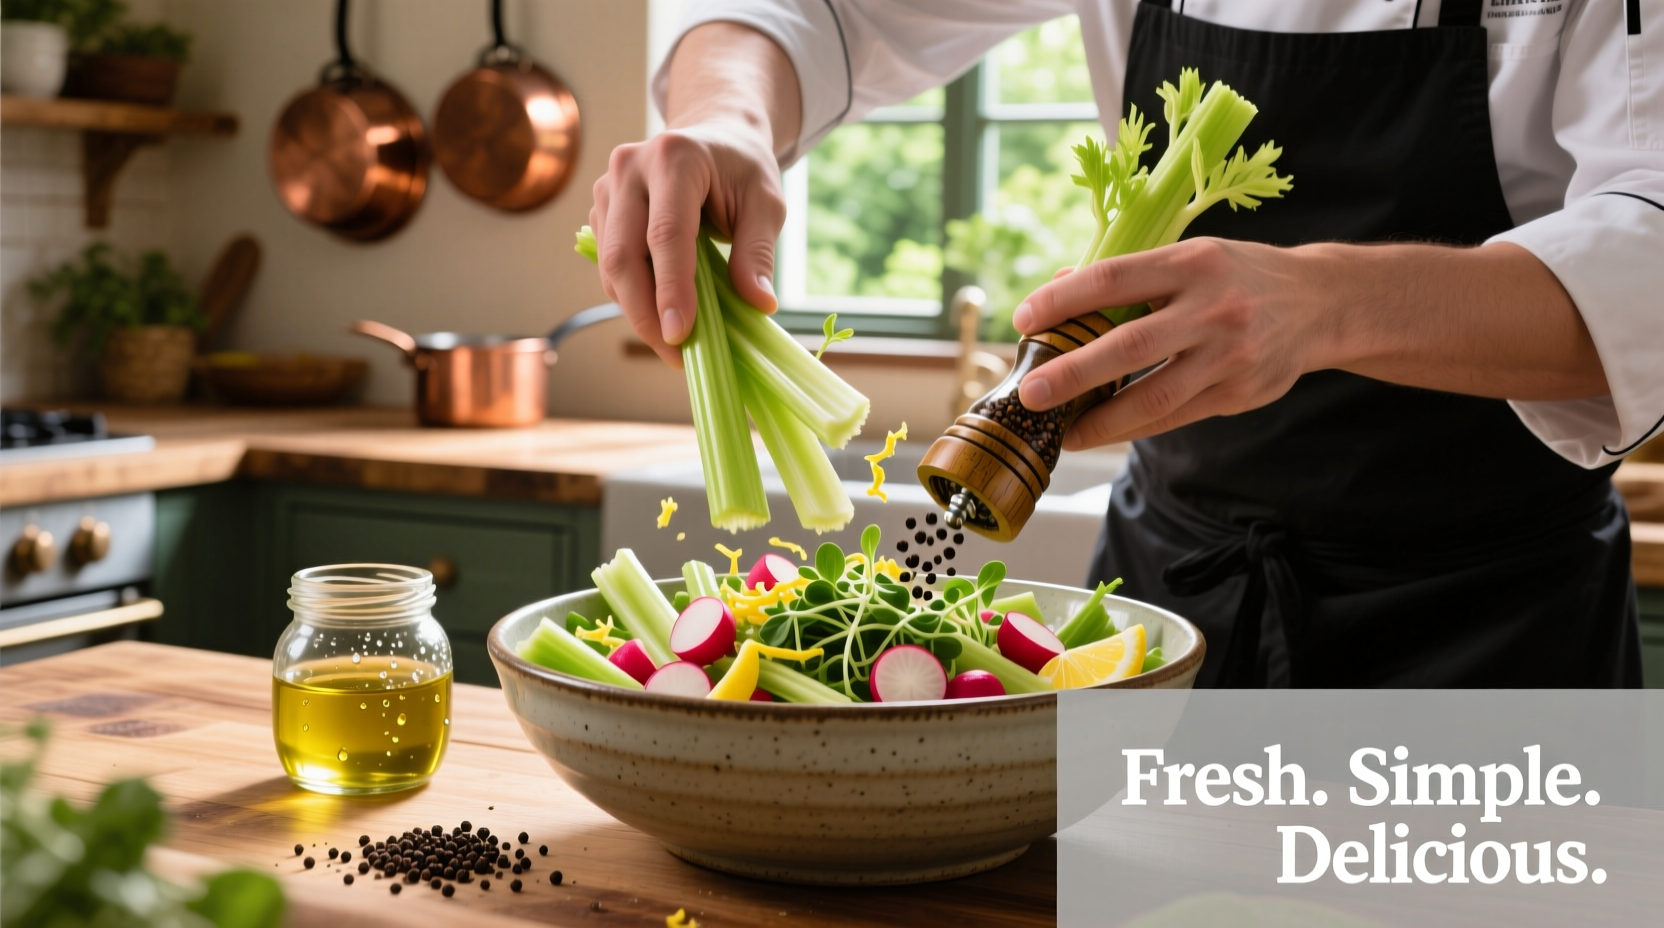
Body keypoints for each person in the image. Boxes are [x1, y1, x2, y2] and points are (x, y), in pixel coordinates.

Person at [588, 0, 1664, 686]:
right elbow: (801, 11)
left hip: (1485, 626)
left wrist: (1327, 303)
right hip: (1170, 593)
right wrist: (727, 118)